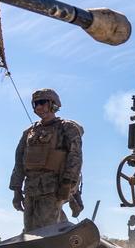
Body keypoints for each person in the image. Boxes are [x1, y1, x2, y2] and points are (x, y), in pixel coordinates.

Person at [9, 88, 83, 232]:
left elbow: (75, 157)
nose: (38, 107)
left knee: (46, 232)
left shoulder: (67, 128)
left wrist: (68, 184)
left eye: (42, 102)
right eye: (35, 104)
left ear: (53, 105)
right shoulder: (29, 132)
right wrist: (16, 190)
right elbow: (19, 162)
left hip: (54, 189)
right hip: (31, 189)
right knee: (30, 230)